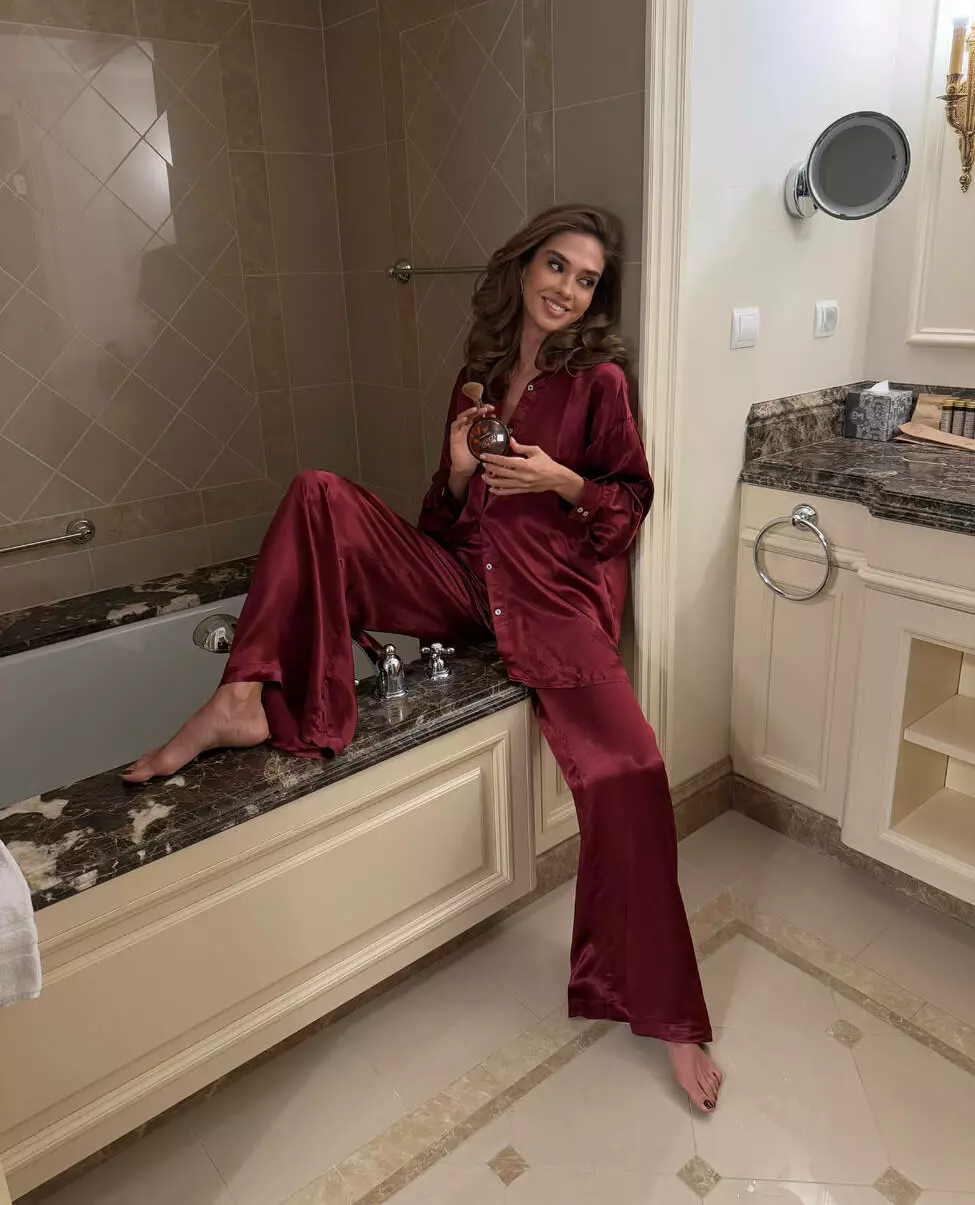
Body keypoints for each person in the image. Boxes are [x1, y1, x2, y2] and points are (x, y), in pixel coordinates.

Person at [123, 205, 722, 1112]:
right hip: (463, 580)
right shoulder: (478, 378)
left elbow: (626, 508)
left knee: (630, 771)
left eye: (585, 279)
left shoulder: (597, 382)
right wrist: (456, 472)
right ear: (523, 268)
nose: (565, 288)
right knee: (317, 492)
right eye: (555, 266)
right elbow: (438, 520)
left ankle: (669, 1018)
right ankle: (240, 694)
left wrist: (560, 481)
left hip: (551, 602)